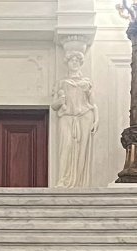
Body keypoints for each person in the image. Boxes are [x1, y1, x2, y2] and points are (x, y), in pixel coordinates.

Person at [52, 44, 98, 188]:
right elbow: (54, 105)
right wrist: (60, 100)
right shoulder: (61, 82)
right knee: (65, 148)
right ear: (67, 62)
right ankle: (63, 180)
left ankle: (80, 184)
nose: (74, 63)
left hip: (85, 116)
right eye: (72, 60)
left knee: (82, 150)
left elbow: (93, 104)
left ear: (80, 63)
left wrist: (96, 120)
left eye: (77, 60)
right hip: (66, 117)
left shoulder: (87, 82)